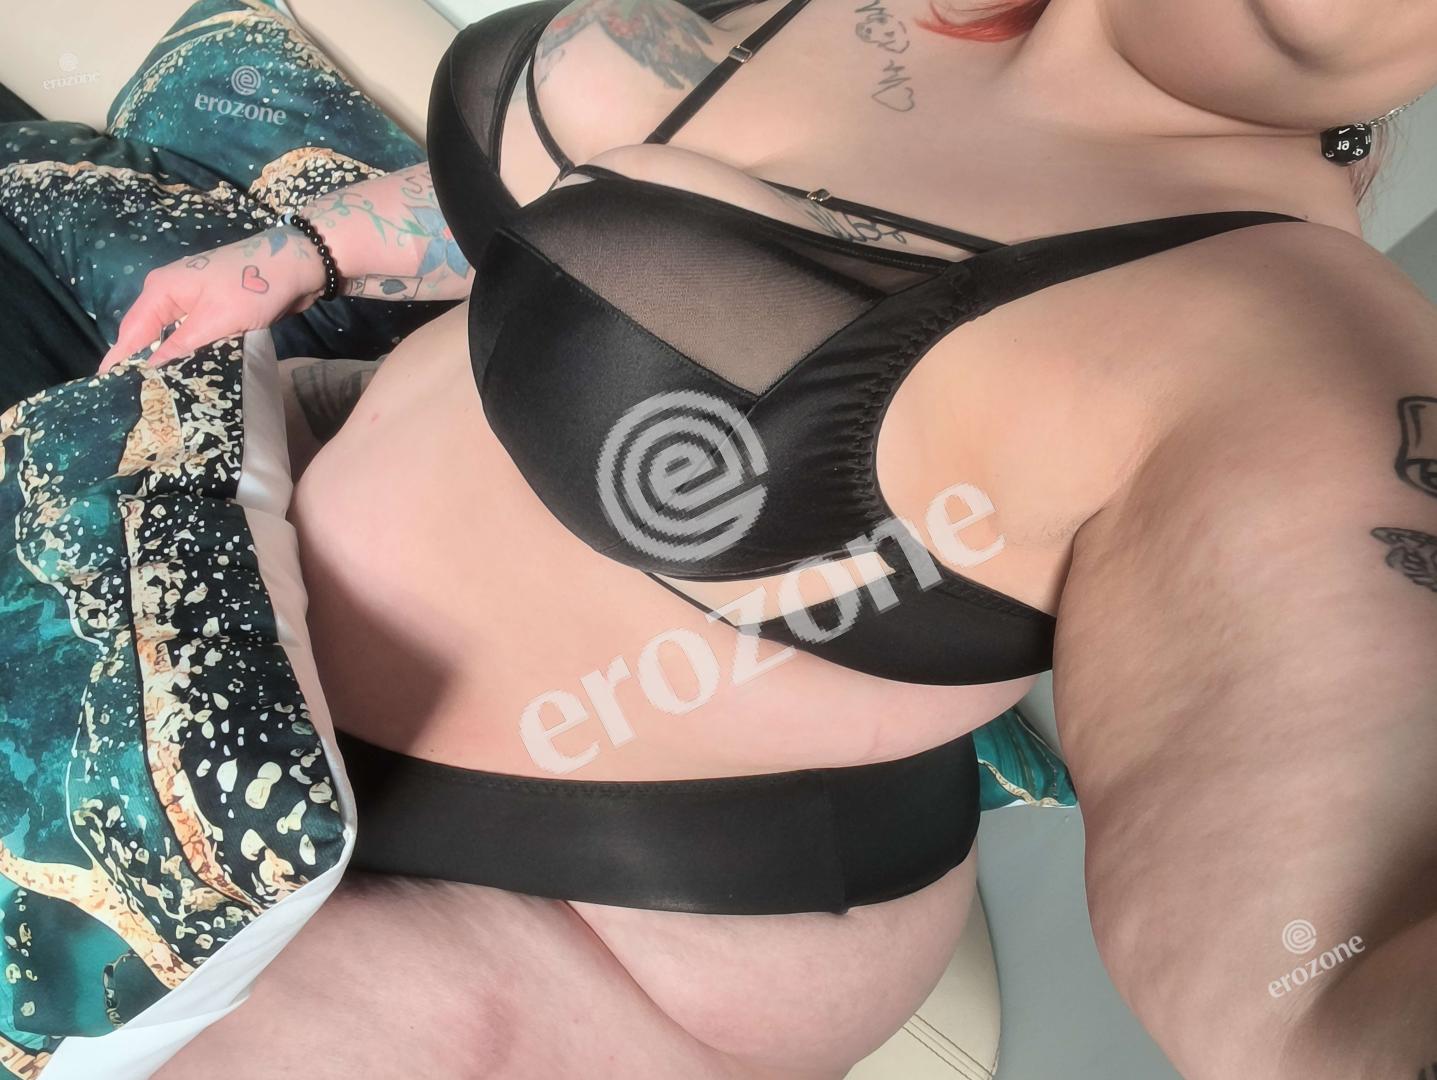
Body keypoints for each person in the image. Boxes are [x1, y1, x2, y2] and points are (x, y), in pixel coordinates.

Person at [98, 0, 1436, 1076]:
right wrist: (308, 254)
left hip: (595, 915)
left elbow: (1324, 976)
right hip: (227, 603)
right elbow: (572, 198)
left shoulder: (1304, 365)